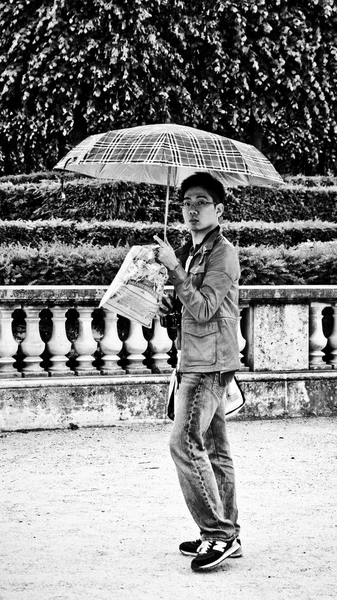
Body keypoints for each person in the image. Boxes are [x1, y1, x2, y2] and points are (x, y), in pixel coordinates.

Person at [154, 172, 242, 571]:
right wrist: (165, 302)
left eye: (201, 201)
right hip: (196, 358)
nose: (191, 208)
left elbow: (206, 307)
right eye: (187, 201)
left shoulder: (223, 253)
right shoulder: (194, 253)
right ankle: (228, 533)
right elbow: (193, 311)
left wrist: (175, 270)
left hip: (209, 364)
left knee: (184, 443)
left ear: (218, 209)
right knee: (217, 453)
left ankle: (218, 535)